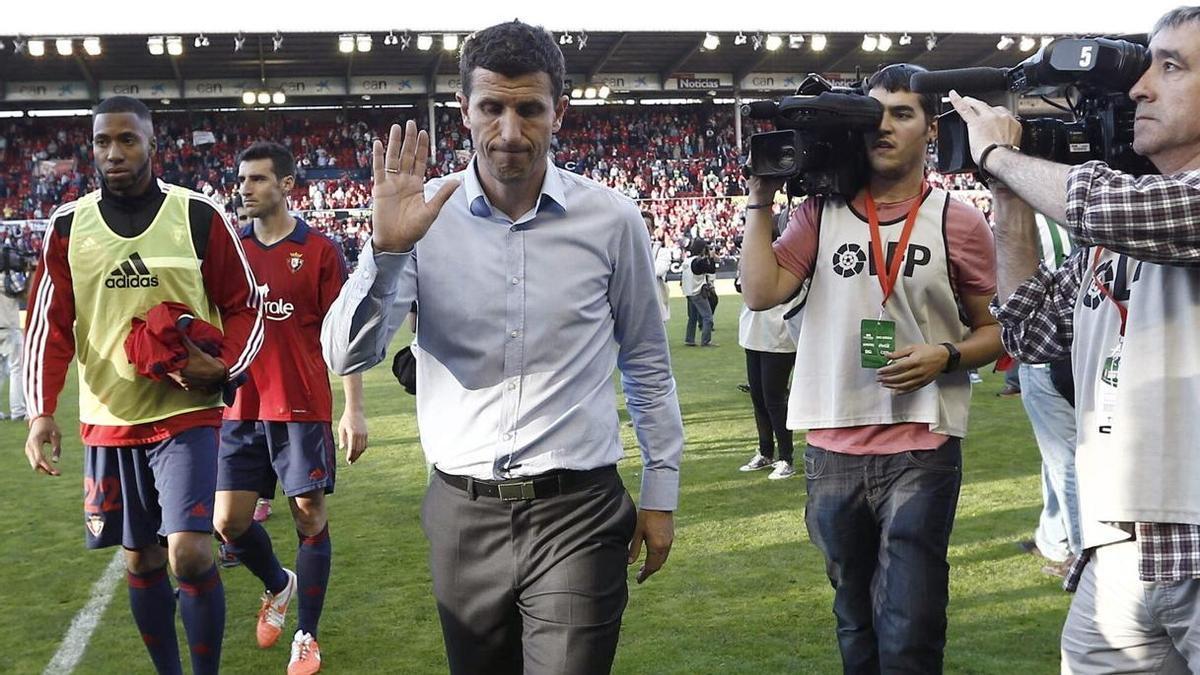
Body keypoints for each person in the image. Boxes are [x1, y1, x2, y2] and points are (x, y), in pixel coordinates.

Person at [320, 21, 683, 675]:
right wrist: (387, 252)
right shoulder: (419, 217)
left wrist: (660, 491)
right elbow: (347, 355)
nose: (510, 132)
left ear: (559, 111)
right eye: (492, 107)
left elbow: (648, 361)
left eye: (529, 109)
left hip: (579, 511)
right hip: (462, 513)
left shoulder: (612, 219)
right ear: (464, 110)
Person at [951, 7, 1200, 669]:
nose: (1142, 86)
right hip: (1118, 544)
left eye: (1171, 66)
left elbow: (1107, 205)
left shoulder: (1135, 208)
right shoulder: (1120, 222)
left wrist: (1001, 151)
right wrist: (1006, 191)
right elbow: (1029, 329)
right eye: (1146, 66)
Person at [741, 63, 1003, 672]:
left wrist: (947, 356)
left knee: (911, 625)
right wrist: (761, 196)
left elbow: (996, 329)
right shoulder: (821, 212)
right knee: (854, 621)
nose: (884, 127)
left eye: (903, 114)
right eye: (873, 114)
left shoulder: (956, 220)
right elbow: (759, 292)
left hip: (922, 446)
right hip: (832, 446)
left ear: (930, 129)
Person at [22, 95, 263, 675]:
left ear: (152, 144)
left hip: (187, 414)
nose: (114, 152)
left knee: (191, 551)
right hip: (109, 417)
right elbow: (46, 326)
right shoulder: (66, 227)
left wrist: (226, 366)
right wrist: (40, 412)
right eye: (103, 141)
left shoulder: (198, 214)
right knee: (142, 559)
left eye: (127, 140)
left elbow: (246, 305)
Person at [213, 141, 368, 675]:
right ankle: (279, 585)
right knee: (229, 523)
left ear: (287, 185)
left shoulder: (321, 251)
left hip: (300, 406)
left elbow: (344, 338)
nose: (245, 189)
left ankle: (307, 634)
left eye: (257, 179)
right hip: (240, 406)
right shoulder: (231, 251)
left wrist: (353, 409)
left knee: (309, 517)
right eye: (242, 180)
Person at [1014, 213, 1081, 577]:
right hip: (1080, 345)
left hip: (1046, 350)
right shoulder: (1075, 212)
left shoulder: (1024, 221)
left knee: (1065, 460)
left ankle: (1079, 551)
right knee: (1055, 454)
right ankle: (1053, 538)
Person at [737, 215, 800, 480]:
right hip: (753, 333)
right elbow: (741, 285)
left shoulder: (790, 255)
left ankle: (786, 457)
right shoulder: (752, 254)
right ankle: (765, 451)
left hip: (778, 336)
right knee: (759, 397)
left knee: (775, 399)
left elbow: (793, 291)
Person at [681, 238, 717, 347]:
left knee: (692, 318)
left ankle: (689, 339)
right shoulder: (698, 262)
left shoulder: (687, 261)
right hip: (697, 292)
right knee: (708, 317)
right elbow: (711, 270)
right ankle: (706, 341)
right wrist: (711, 258)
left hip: (688, 292)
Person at [644, 211, 672, 322]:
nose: (643, 230)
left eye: (647, 227)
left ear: (652, 229)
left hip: (656, 311)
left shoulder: (661, 251)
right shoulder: (627, 250)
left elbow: (658, 271)